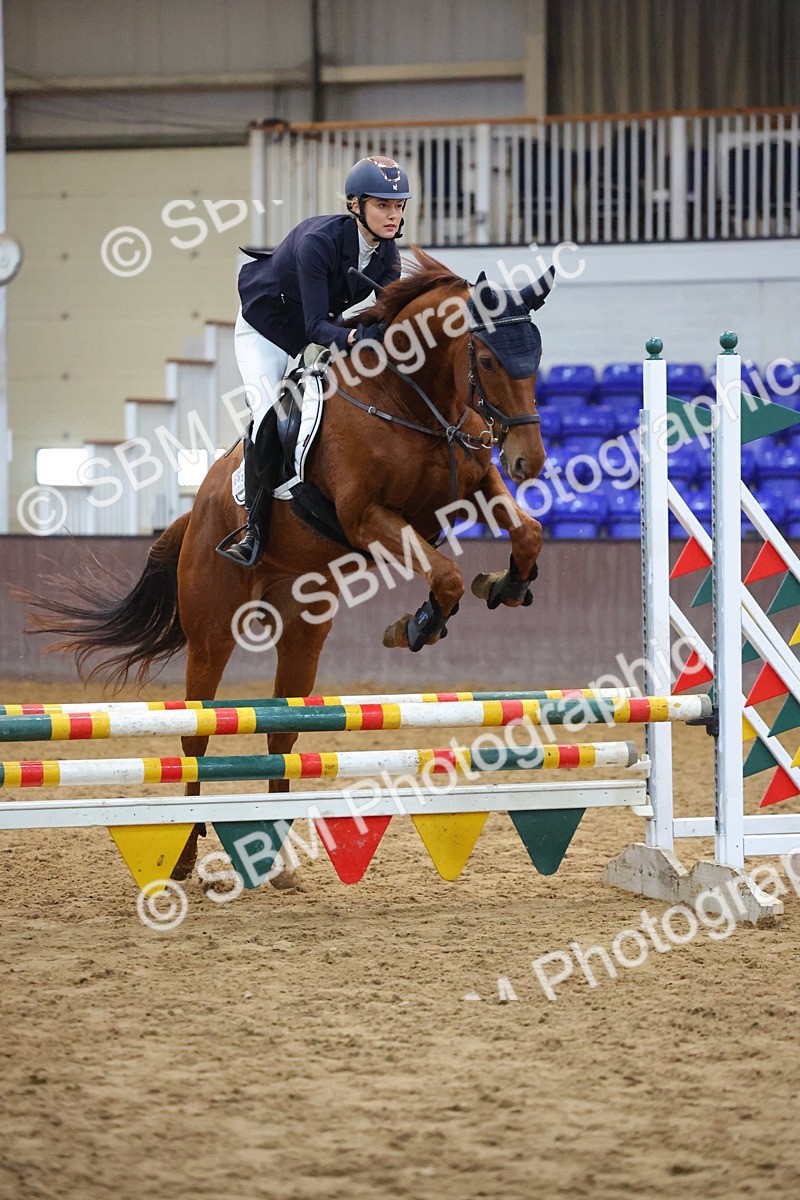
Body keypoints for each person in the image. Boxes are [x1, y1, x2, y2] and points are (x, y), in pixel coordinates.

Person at [221, 154, 412, 565]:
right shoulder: (318, 243)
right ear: (355, 205)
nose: (393, 215)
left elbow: (386, 316)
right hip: (266, 328)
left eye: (398, 206)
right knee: (268, 413)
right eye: (382, 205)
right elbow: (314, 328)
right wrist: (357, 337)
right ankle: (252, 529)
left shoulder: (387, 255)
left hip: (316, 329)